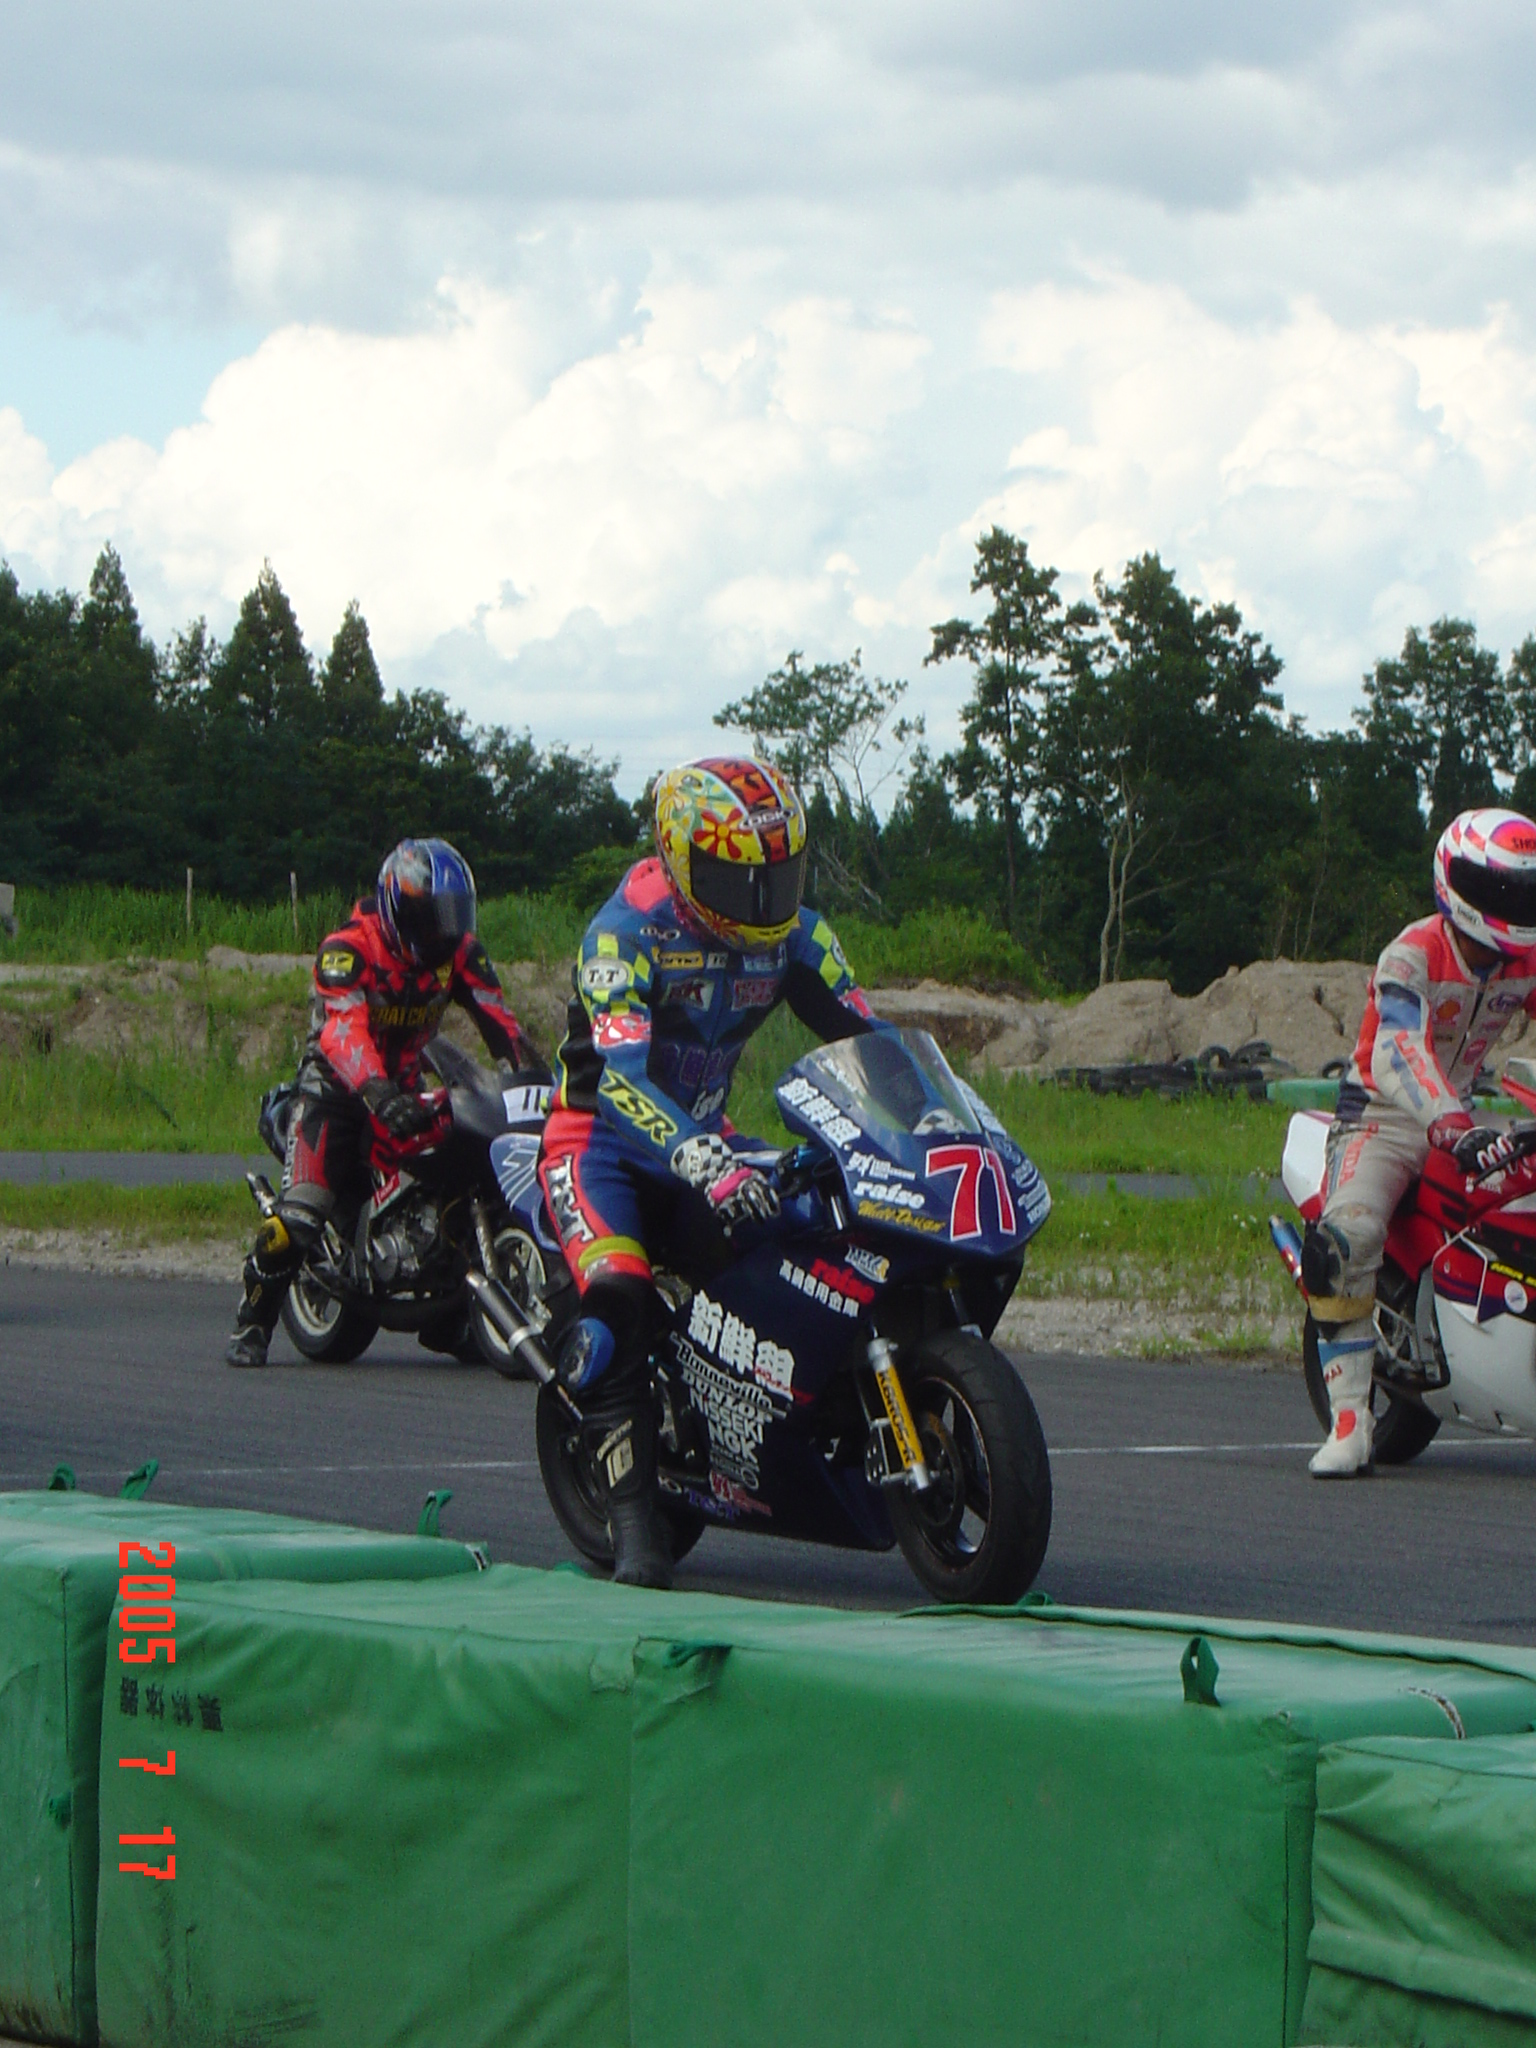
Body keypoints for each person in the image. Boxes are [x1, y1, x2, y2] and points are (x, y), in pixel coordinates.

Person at [539, 755, 889, 1586]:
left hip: (709, 1139)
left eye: (779, 878)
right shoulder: (623, 934)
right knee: (619, 1297)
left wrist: (928, 1120)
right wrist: (700, 1157)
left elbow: (872, 1043)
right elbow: (619, 1078)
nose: (763, 902)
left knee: (809, 1230)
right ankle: (632, 1521)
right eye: (740, 882)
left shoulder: (800, 934)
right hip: (599, 1145)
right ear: (680, 860)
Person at [225, 837, 545, 1368]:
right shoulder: (348, 949)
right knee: (301, 1214)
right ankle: (253, 1320)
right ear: (397, 905)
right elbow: (343, 1032)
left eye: (452, 915)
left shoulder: (462, 954)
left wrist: (539, 1084)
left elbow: (501, 1024)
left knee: (467, 1163)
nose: (442, 930)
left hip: (404, 1083)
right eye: (430, 917)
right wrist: (376, 1091)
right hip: (335, 1090)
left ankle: (448, 1314)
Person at [1303, 807, 1536, 1476]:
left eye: (1524, 888)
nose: (1514, 903)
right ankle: (1350, 1421)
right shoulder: (1411, 954)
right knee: (1347, 1235)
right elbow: (1399, 1049)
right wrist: (1447, 1121)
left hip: (1463, 1113)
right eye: (1499, 888)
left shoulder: (1525, 960)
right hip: (1383, 1114)